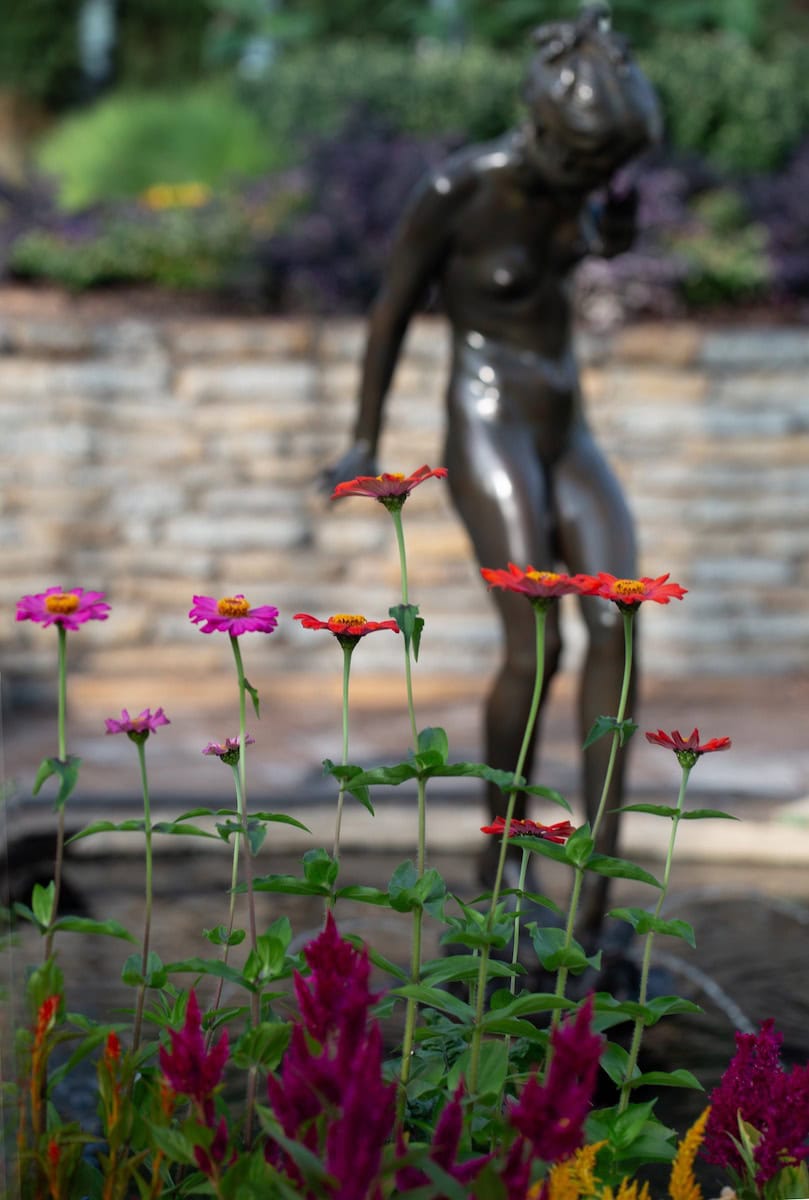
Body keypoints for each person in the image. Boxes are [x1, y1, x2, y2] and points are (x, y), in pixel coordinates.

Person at [327, 4, 661, 936]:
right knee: (537, 639)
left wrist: (614, 225)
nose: (591, 183)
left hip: (564, 425)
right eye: (585, 166)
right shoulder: (460, 190)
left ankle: (594, 893)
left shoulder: (577, 186)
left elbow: (592, 241)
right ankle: (503, 859)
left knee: (618, 619)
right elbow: (392, 309)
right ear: (543, 130)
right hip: (488, 418)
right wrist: (362, 438)